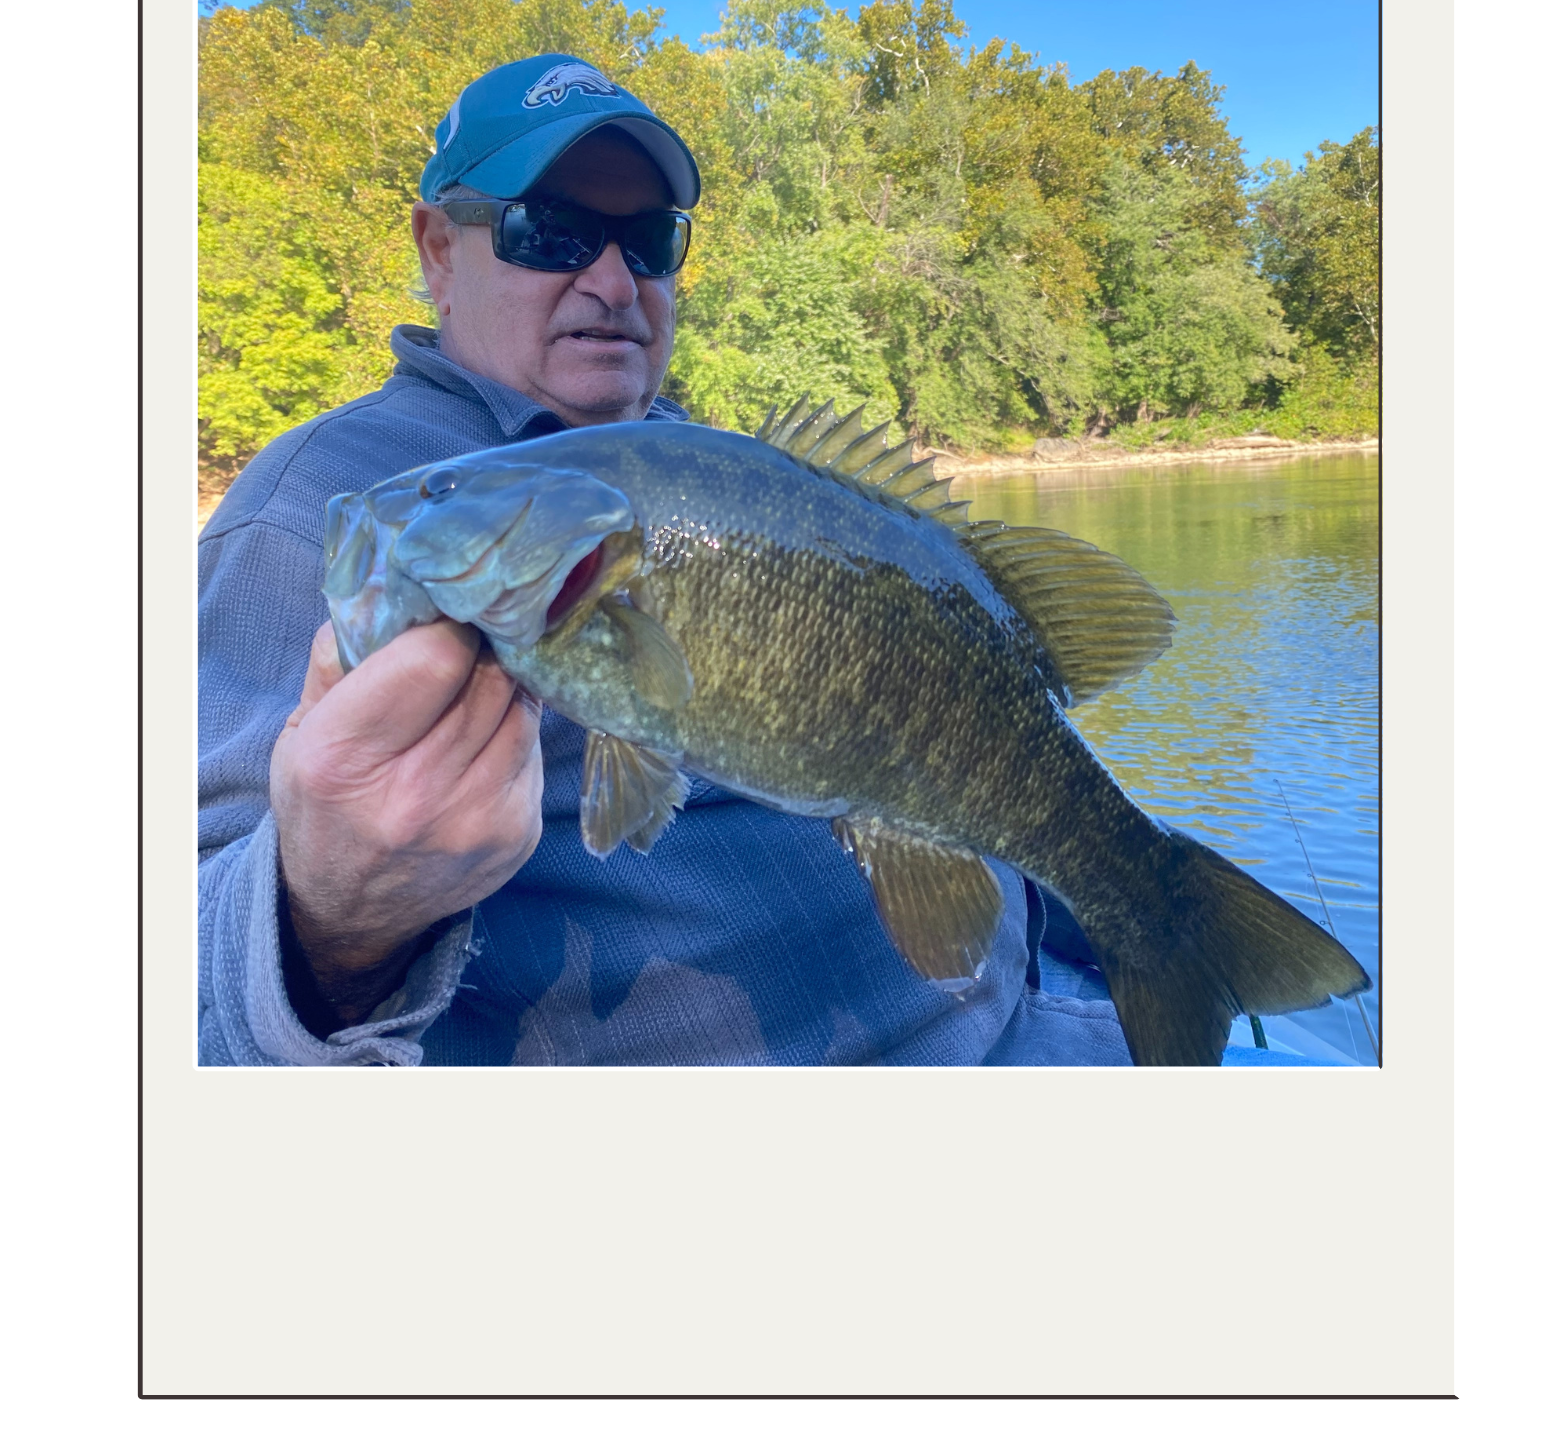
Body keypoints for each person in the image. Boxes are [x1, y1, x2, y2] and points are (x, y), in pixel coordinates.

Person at [198, 52, 1134, 1067]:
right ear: (437, 250)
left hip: (1037, 1022)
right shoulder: (319, 503)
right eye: (547, 231)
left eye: (649, 241)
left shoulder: (703, 457)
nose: (610, 280)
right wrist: (327, 916)